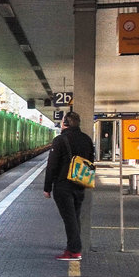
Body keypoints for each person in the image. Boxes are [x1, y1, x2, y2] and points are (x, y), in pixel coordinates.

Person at [44, 111, 96, 260]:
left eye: (62, 121)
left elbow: (52, 165)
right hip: (80, 183)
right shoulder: (87, 139)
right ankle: (73, 247)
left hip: (63, 185)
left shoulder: (60, 140)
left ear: (65, 123)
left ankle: (74, 251)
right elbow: (91, 161)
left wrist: (47, 188)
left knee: (69, 218)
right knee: (75, 216)